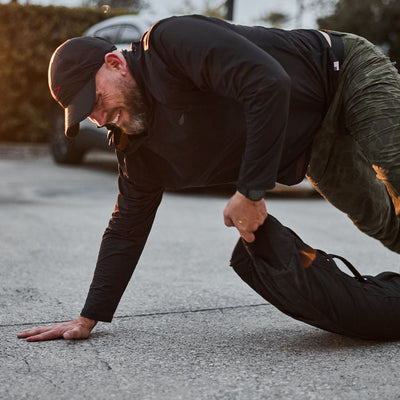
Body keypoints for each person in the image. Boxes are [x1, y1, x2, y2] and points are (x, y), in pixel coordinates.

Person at [18, 15, 400, 342]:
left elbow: (268, 82)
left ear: (115, 63)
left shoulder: (171, 44)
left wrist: (249, 192)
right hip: (310, 143)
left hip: (342, 72)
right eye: (88, 115)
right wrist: (89, 316)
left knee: (395, 166)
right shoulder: (137, 147)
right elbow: (126, 227)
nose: (99, 119)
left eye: (97, 100)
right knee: (378, 218)